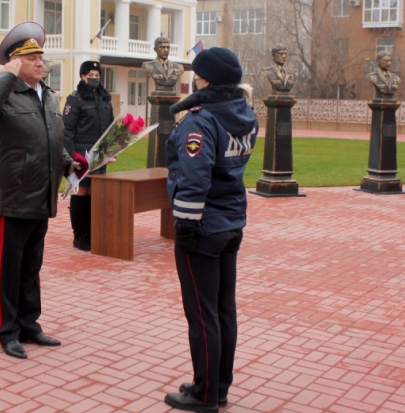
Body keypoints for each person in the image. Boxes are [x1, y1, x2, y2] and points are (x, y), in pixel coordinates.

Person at [0, 21, 78, 360]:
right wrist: (6, 75)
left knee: (32, 266)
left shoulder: (47, 95)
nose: (39, 62)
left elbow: (51, 139)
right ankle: (7, 332)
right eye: (31, 57)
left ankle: (29, 324)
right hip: (14, 197)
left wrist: (67, 164)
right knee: (10, 269)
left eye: (40, 57)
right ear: (15, 62)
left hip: (42, 196)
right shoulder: (4, 94)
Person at [163, 47, 259, 412]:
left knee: (202, 314)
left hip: (203, 226)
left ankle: (204, 396)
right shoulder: (244, 113)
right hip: (231, 221)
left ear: (204, 80)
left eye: (195, 75)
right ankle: (217, 386)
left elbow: (194, 176)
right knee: (222, 310)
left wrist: (185, 225)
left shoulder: (199, 120)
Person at [63, 61, 114, 251]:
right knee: (80, 193)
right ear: (82, 76)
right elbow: (67, 130)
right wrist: (71, 158)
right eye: (89, 74)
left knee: (95, 193)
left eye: (96, 74)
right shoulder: (74, 99)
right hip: (81, 156)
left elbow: (110, 128)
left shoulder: (104, 98)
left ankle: (93, 233)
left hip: (99, 156)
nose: (94, 78)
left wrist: (110, 151)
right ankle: (80, 236)